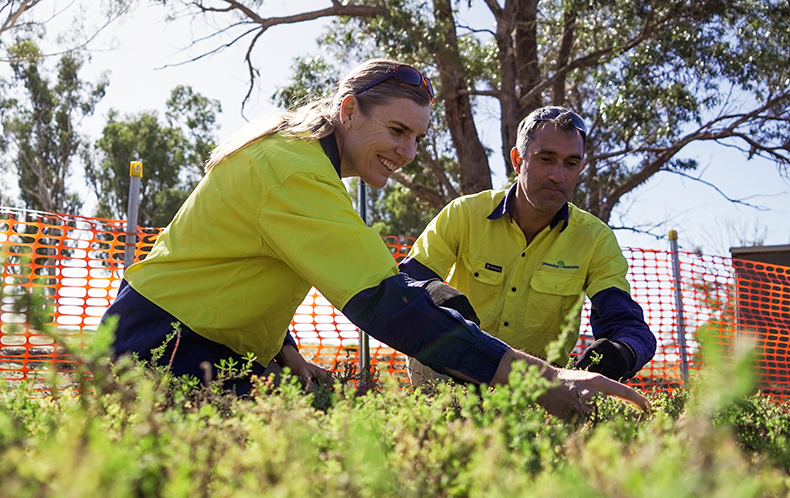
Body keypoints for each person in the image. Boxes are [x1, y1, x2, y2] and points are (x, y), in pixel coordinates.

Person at [102, 61, 649, 417]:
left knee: (331, 427)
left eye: (417, 137)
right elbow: (390, 300)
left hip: (206, 347)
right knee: (333, 451)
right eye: (396, 131)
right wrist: (544, 380)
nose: (409, 153)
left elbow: (244, 266)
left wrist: (287, 354)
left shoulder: (298, 160)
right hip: (157, 347)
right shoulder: (294, 173)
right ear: (348, 111)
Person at [400, 106, 656, 387]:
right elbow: (405, 281)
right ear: (517, 159)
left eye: (571, 163)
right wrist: (436, 293)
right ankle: (436, 429)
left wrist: (622, 352)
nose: (558, 175)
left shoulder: (596, 240)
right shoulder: (464, 214)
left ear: (581, 168)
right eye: (546, 159)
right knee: (427, 336)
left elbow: (629, 326)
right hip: (454, 365)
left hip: (538, 385)